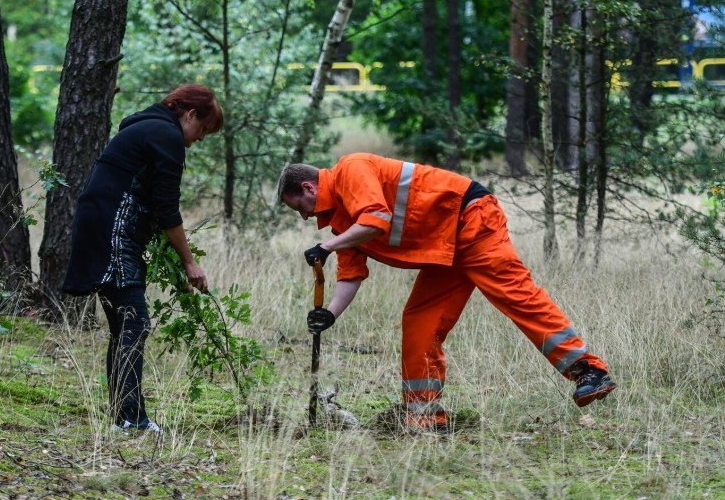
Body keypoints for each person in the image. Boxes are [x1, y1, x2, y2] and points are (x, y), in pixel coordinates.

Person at [278, 153, 616, 431]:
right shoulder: (341, 222)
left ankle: (589, 370)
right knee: (419, 323)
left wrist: (327, 246)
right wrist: (329, 315)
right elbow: (351, 275)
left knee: (516, 295)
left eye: (299, 207)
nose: (306, 216)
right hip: (444, 251)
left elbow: (376, 218)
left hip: (472, 218)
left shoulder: (351, 169)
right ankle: (424, 418)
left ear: (309, 187)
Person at [62, 84, 223, 434]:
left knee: (125, 327)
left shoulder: (145, 128)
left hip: (103, 227)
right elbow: (167, 208)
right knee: (133, 324)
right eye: (202, 130)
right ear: (189, 114)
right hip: (113, 230)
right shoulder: (166, 135)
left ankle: (125, 417)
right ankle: (131, 420)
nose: (198, 139)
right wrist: (189, 262)